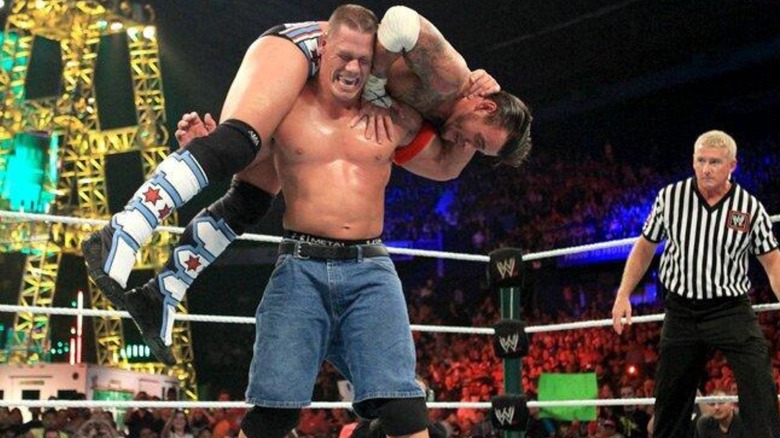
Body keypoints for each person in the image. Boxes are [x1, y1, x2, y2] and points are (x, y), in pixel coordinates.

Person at [85, 4, 532, 366]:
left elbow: (450, 165)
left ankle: (163, 292)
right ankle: (124, 231)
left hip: (343, 88)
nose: (466, 144)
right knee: (239, 141)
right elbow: (399, 20)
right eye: (474, 137)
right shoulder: (452, 75)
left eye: (478, 149)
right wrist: (373, 87)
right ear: (483, 102)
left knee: (253, 194)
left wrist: (384, 101)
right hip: (320, 50)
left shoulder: (451, 125)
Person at [611, 130, 780, 438]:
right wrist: (623, 293)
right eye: (700, 160)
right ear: (692, 161)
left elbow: (772, 261)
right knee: (671, 396)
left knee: (758, 376)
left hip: (730, 309)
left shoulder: (749, 207)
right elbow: (645, 246)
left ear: (732, 165)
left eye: (714, 162)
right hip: (682, 310)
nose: (706, 169)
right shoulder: (671, 197)